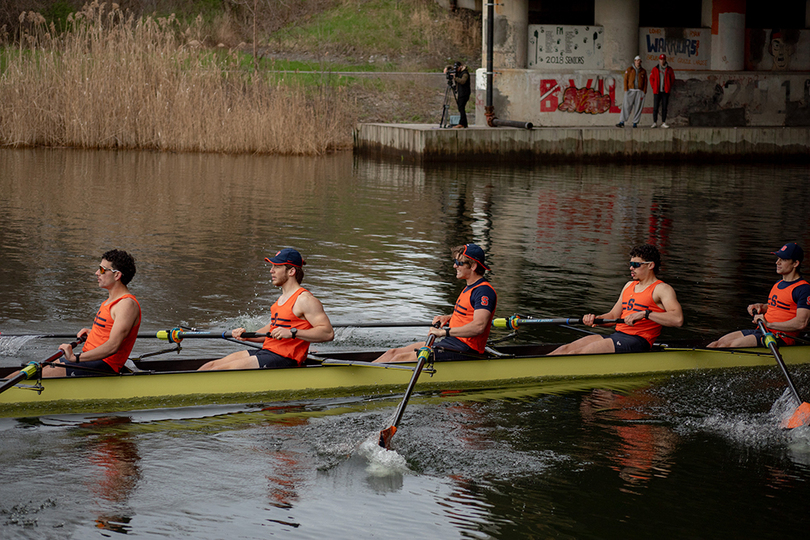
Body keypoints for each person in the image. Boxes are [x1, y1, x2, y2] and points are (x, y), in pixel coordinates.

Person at [198, 248, 334, 370]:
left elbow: (327, 333)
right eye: (272, 266)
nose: (271, 270)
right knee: (211, 366)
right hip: (268, 352)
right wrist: (246, 336)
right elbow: (269, 331)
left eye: (277, 266)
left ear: (291, 271)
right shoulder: (280, 300)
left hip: (285, 358)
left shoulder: (305, 300)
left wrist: (292, 332)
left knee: (220, 370)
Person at [548, 244, 684, 355]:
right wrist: (596, 319)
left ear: (650, 265)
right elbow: (613, 316)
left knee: (577, 353)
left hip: (638, 340)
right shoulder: (629, 286)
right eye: (630, 264)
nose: (631, 268)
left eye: (636, 265)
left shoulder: (662, 289)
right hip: (618, 336)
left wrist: (645, 314)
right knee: (564, 350)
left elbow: (677, 319)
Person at [373, 244, 497, 363]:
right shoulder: (470, 287)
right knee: (392, 353)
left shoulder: (483, 291)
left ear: (473, 266)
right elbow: (468, 314)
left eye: (459, 263)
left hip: (465, 350)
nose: (455, 266)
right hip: (452, 343)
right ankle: (361, 376)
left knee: (399, 359)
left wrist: (443, 332)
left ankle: (371, 381)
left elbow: (479, 326)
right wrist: (449, 318)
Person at [45, 249, 141, 377]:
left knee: (32, 374)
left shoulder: (126, 305)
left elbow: (113, 346)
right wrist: (94, 333)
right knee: (31, 368)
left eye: (102, 270)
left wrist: (75, 358)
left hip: (104, 365)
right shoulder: (110, 301)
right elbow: (110, 332)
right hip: (92, 361)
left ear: (117, 275)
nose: (96, 273)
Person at [708, 243, 810, 348]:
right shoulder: (778, 284)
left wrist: (769, 324)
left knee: (732, 346)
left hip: (781, 337)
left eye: (783, 260)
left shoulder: (803, 289)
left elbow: (801, 323)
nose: (777, 262)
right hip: (763, 330)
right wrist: (761, 307)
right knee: (718, 343)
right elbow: (777, 307)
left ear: (795, 263)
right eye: (778, 258)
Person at [615, 56, 647, 128]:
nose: (638, 62)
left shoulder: (643, 71)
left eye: (639, 61)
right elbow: (625, 80)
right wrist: (626, 90)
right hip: (630, 90)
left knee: (638, 107)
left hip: (639, 91)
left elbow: (645, 82)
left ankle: (635, 123)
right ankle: (622, 121)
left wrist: (644, 91)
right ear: (634, 61)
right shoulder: (629, 70)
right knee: (626, 106)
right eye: (637, 60)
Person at [649, 53, 675, 128]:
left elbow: (672, 79)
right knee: (655, 107)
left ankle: (663, 122)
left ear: (665, 60)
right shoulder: (655, 69)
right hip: (657, 91)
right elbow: (651, 79)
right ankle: (654, 122)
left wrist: (669, 86)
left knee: (664, 107)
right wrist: (654, 87)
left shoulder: (669, 69)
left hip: (665, 91)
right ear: (659, 60)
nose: (662, 61)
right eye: (661, 59)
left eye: (663, 59)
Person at [443, 61, 471, 128]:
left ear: (460, 67)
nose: (456, 69)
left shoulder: (465, 73)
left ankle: (462, 123)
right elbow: (451, 67)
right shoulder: (459, 72)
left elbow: (462, 81)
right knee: (460, 107)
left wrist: (454, 78)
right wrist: (447, 68)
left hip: (464, 93)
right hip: (461, 92)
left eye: (457, 68)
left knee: (461, 107)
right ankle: (464, 123)